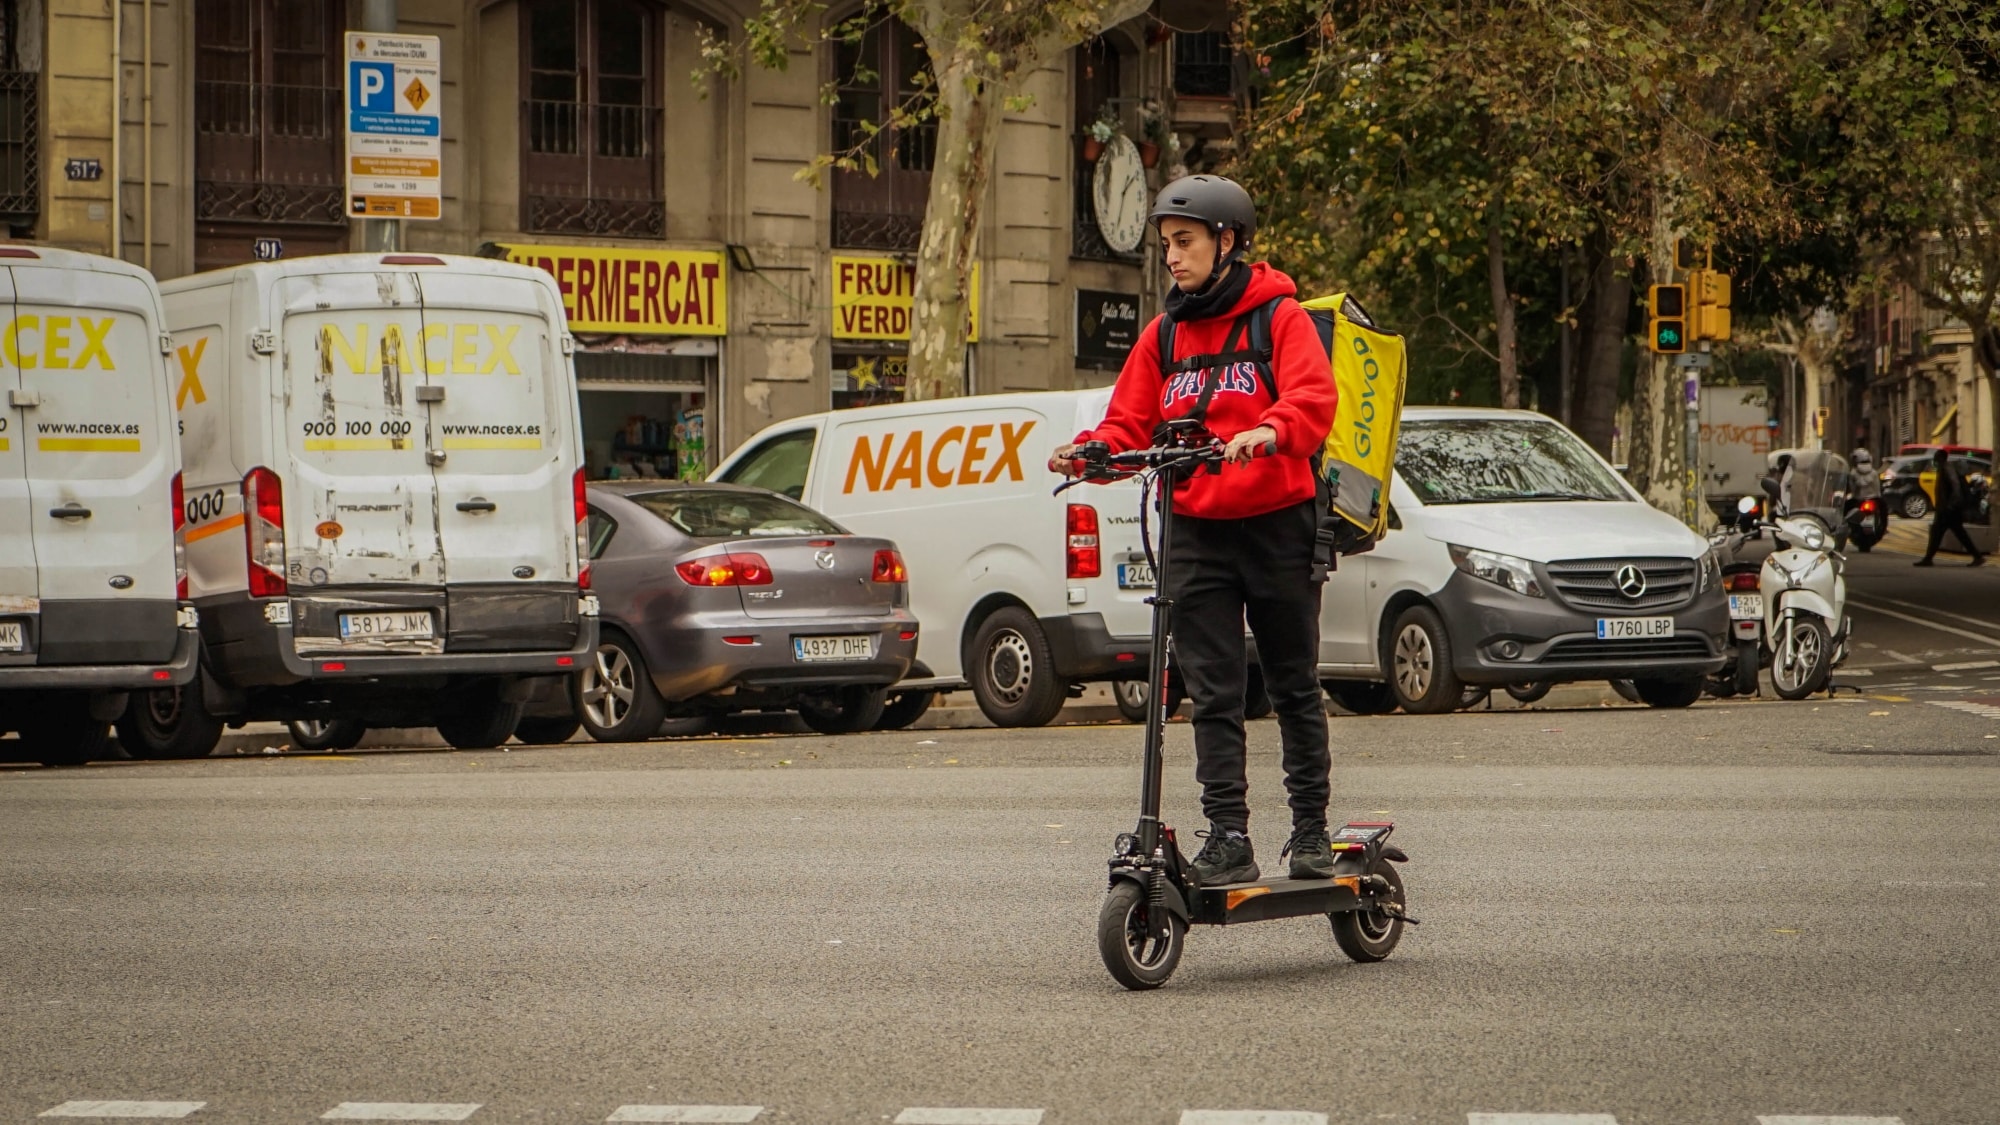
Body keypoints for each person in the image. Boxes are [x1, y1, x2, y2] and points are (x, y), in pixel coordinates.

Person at [1048, 174, 1338, 883]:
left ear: (1228, 240)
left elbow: (1313, 398)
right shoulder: (1167, 331)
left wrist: (1270, 430)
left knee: (1293, 684)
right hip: (1197, 529)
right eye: (1167, 245)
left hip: (1277, 523)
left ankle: (1310, 831)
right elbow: (1128, 420)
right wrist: (1092, 451)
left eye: (1185, 243)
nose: (1172, 258)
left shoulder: (1281, 318)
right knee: (1212, 690)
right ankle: (1228, 836)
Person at [1916, 448, 1986, 567]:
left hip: (1948, 509)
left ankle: (1928, 558)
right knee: (1950, 533)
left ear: (1941, 458)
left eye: (1936, 457)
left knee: (1940, 533)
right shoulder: (1943, 469)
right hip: (1946, 508)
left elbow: (1955, 487)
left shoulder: (1947, 468)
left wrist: (1951, 505)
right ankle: (1977, 556)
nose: (1934, 460)